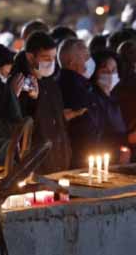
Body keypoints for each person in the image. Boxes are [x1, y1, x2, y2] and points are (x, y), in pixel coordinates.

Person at [13, 32, 71, 173]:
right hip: (35, 162)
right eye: (46, 58)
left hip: (58, 158)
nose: (51, 63)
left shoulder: (51, 82)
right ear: (30, 57)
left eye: (53, 58)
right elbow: (19, 121)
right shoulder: (18, 83)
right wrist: (34, 100)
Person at [56, 38, 97, 170]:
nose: (89, 61)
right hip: (79, 157)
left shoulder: (80, 83)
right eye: (86, 57)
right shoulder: (72, 85)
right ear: (72, 62)